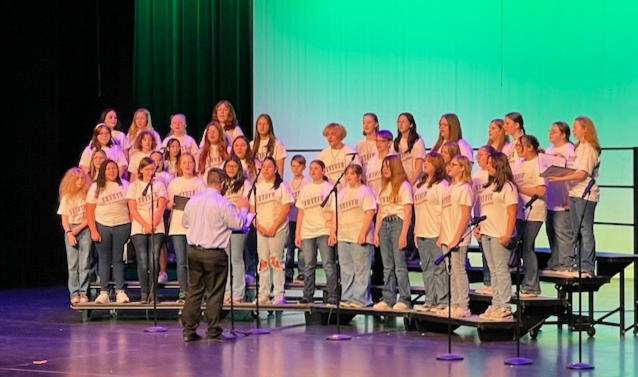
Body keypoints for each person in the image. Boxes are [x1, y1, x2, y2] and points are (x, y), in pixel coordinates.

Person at [181, 168, 250, 342]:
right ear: (222, 184)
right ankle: (213, 330)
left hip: (194, 251)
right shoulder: (222, 203)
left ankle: (189, 331)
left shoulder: (193, 201)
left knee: (194, 292)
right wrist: (243, 210)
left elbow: (185, 223)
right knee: (215, 292)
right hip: (214, 253)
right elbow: (238, 224)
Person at [548, 116, 601, 278]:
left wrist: (559, 178)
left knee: (585, 231)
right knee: (576, 232)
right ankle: (578, 264)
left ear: (585, 129)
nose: (574, 130)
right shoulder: (578, 148)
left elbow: (581, 173)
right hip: (574, 193)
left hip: (585, 194)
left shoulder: (589, 149)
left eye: (577, 127)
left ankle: (587, 267)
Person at [474, 152, 518, 320]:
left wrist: (508, 234)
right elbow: (484, 211)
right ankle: (496, 303)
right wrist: (479, 228)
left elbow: (512, 212)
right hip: (486, 233)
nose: (487, 167)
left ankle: (504, 306)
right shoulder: (487, 187)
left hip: (499, 234)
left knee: (501, 270)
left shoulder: (508, 187)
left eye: (491, 164)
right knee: (493, 270)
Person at [85, 159, 131, 304]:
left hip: (122, 225)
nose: (111, 171)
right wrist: (93, 230)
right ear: (103, 171)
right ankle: (103, 292)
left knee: (118, 260)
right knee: (103, 260)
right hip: (102, 226)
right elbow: (89, 210)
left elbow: (131, 207)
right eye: (108, 169)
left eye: (114, 168)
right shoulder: (95, 187)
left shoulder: (125, 185)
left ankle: (120, 292)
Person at [251, 156, 294, 304]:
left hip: (278, 229)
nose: (266, 169)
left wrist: (274, 226)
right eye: (264, 167)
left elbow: (286, 207)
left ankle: (278, 294)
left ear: (276, 169)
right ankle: (263, 294)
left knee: (276, 260)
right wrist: (259, 226)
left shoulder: (282, 187)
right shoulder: (257, 187)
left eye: (269, 166)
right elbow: (252, 209)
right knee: (263, 261)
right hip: (261, 229)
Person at [435, 155, 473, 318]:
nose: (449, 167)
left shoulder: (465, 189)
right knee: (451, 271)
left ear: (463, 167)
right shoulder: (448, 188)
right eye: (448, 165)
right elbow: (444, 213)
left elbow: (465, 216)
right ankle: (454, 303)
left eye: (453, 165)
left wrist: (456, 238)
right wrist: (442, 235)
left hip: (458, 237)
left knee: (458, 270)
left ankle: (463, 305)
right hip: (447, 236)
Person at [373, 155, 413, 311]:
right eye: (383, 167)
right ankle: (388, 298)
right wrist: (376, 232)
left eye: (388, 166)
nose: (385, 169)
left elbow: (408, 211)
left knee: (399, 265)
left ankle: (405, 298)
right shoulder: (383, 187)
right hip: (384, 225)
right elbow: (381, 211)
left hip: (397, 223)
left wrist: (404, 234)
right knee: (387, 265)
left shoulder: (404, 186)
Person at [333, 164, 376, 308]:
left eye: (352, 173)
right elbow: (335, 214)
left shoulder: (365, 191)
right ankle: (347, 297)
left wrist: (363, 233)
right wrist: (333, 232)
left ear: (359, 176)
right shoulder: (341, 193)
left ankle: (361, 299)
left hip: (359, 235)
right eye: (347, 174)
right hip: (344, 236)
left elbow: (370, 212)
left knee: (361, 268)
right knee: (346, 269)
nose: (349, 176)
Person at [126, 157, 168, 303]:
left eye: (152, 169)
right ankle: (144, 293)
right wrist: (144, 224)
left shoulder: (160, 185)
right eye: (147, 169)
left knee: (153, 259)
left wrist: (152, 223)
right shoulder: (134, 186)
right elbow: (132, 208)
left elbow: (161, 206)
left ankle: (153, 293)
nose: (149, 172)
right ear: (141, 170)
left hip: (157, 227)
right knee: (142, 260)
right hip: (139, 227)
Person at [295, 160, 337, 305]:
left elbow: (333, 213)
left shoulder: (329, 189)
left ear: (323, 170)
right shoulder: (305, 190)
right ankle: (308, 295)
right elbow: (301, 212)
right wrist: (297, 233)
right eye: (311, 169)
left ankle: (332, 295)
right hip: (307, 231)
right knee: (308, 265)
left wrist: (332, 232)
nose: (313, 171)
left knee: (328, 264)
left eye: (316, 168)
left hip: (324, 230)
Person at [167, 153, 206, 302]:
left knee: (193, 262)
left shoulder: (199, 183)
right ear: (180, 166)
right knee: (181, 262)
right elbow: (168, 204)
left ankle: (195, 292)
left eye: (190, 162)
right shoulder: (174, 183)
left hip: (194, 227)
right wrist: (172, 205)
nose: (187, 165)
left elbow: (204, 203)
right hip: (177, 227)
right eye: (184, 163)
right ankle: (183, 292)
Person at [413, 153, 449, 312]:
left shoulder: (442, 185)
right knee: (426, 267)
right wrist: (415, 232)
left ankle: (442, 301)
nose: (425, 163)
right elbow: (417, 210)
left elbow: (444, 211)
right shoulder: (419, 186)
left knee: (439, 268)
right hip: (421, 232)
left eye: (429, 161)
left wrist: (442, 234)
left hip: (436, 232)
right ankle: (430, 300)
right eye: (425, 160)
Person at [512, 135, 547, 297]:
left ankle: (532, 286)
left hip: (534, 211)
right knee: (520, 246)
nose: (517, 149)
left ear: (530, 147)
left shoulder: (539, 163)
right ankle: (526, 282)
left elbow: (541, 191)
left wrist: (519, 189)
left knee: (527, 246)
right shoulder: (519, 163)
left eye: (520, 146)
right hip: (520, 211)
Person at [58, 168, 92, 304]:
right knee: (73, 264)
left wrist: (78, 228)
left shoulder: (87, 196)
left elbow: (90, 216)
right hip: (71, 229)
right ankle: (74, 292)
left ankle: (83, 292)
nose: (80, 181)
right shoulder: (66, 197)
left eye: (82, 178)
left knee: (84, 262)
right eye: (77, 179)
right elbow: (64, 218)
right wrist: (69, 233)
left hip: (84, 228)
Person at [544, 122, 575, 273]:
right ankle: (555, 262)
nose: (550, 133)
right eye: (550, 130)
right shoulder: (548, 150)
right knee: (551, 231)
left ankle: (566, 264)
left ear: (563, 134)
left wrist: (569, 197)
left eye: (554, 131)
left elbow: (574, 174)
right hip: (550, 199)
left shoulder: (570, 150)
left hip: (563, 198)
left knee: (563, 233)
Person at [222, 155, 252, 303]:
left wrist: (237, 207)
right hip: (224, 226)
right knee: (226, 260)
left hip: (239, 224)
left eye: (234, 166)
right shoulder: (222, 185)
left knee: (236, 258)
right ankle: (227, 292)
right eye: (228, 166)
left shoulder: (245, 184)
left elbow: (244, 203)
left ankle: (238, 293)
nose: (231, 169)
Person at [472, 145, 496, 295]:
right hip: (478, 217)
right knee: (483, 252)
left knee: (491, 253)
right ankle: (487, 282)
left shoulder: (492, 175)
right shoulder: (476, 176)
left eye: (481, 154)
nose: (477, 157)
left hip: (490, 218)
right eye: (477, 155)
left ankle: (493, 282)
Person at [285, 155, 309, 282]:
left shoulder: (307, 183)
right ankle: (288, 271)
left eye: (298, 166)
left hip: (302, 219)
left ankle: (301, 272)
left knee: (301, 247)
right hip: (290, 219)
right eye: (293, 166)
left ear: (304, 167)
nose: (296, 168)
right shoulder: (287, 183)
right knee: (289, 246)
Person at [316, 123, 361, 189]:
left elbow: (358, 175)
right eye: (327, 135)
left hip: (348, 194)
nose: (329, 137)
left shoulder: (351, 153)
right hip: (329, 195)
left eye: (333, 134)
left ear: (340, 135)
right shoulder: (322, 155)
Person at [393, 112, 426, 186]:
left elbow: (418, 168)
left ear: (411, 124)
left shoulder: (418, 142)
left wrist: (409, 185)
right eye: (399, 121)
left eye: (403, 121)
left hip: (415, 183)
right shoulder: (395, 143)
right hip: (400, 183)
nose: (400, 124)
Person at [366, 130, 394, 198]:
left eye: (382, 141)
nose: (378, 143)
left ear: (389, 143)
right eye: (377, 141)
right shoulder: (371, 161)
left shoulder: (393, 160)